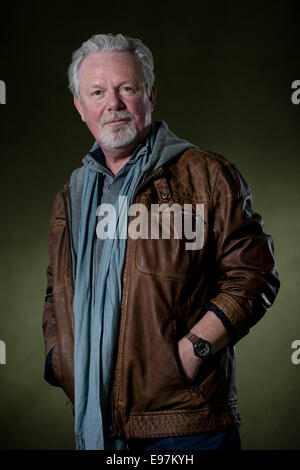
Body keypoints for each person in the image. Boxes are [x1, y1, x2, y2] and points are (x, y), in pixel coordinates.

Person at [42, 33, 280, 451]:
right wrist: (60, 359)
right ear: (81, 108)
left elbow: (255, 273)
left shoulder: (206, 176)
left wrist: (194, 349)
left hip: (186, 424)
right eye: (97, 92)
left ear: (149, 94)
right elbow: (56, 288)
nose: (112, 103)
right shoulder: (74, 193)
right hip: (96, 420)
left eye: (126, 88)